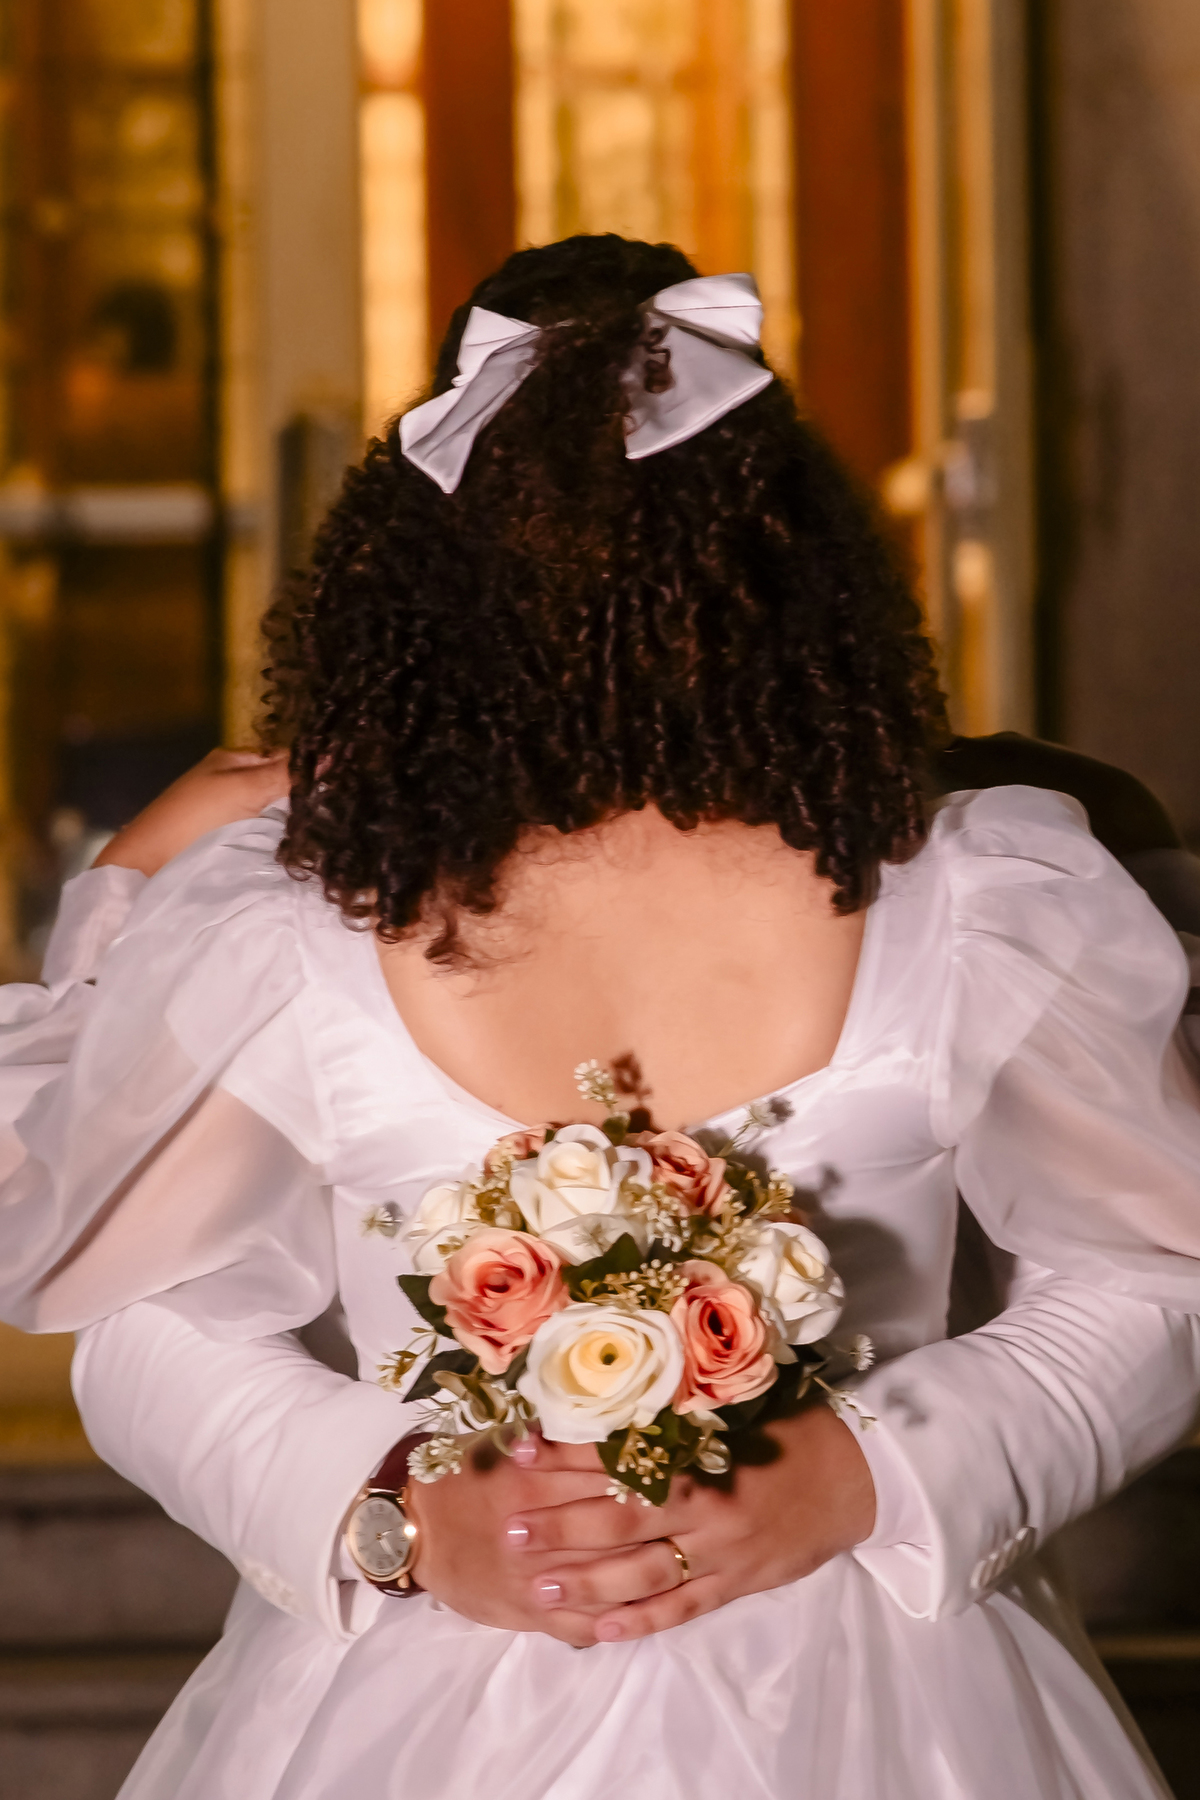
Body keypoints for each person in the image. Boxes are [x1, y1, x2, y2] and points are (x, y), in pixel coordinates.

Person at [2, 234, 1200, 1800]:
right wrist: (397, 1512)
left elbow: (1160, 1270)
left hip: (892, 1702)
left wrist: (873, 1472)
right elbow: (129, 1301)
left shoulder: (976, 893)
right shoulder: (294, 920)